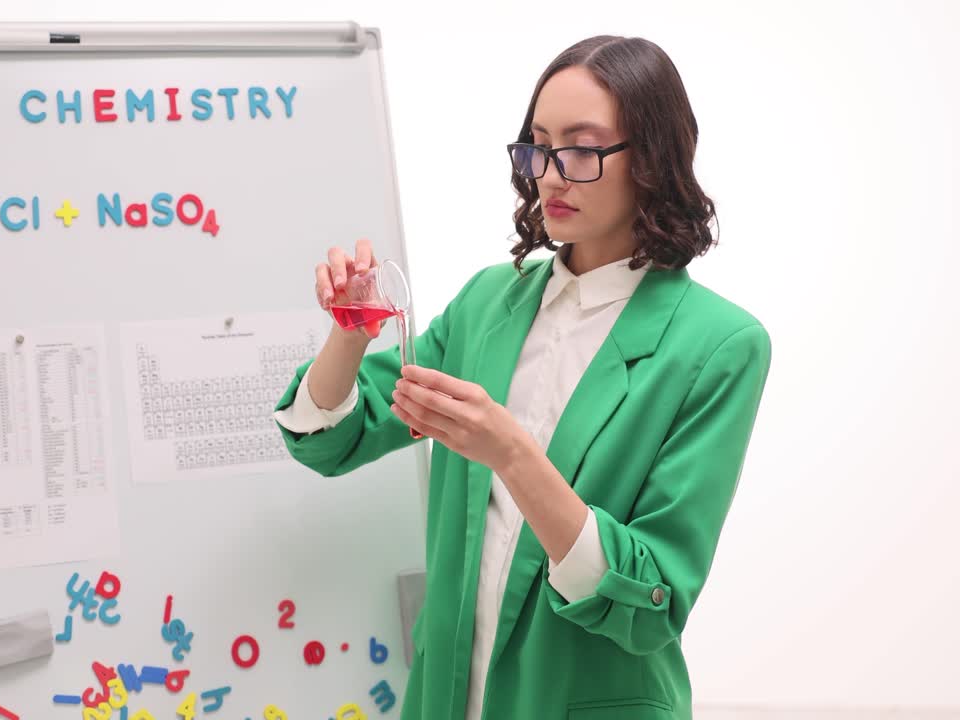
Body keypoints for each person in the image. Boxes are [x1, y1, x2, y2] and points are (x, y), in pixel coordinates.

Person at [272, 34, 772, 720]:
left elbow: (652, 599)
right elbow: (331, 440)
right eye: (539, 145)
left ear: (652, 158)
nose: (552, 173)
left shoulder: (718, 345)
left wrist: (511, 452)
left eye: (583, 148)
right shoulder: (486, 305)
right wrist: (351, 334)